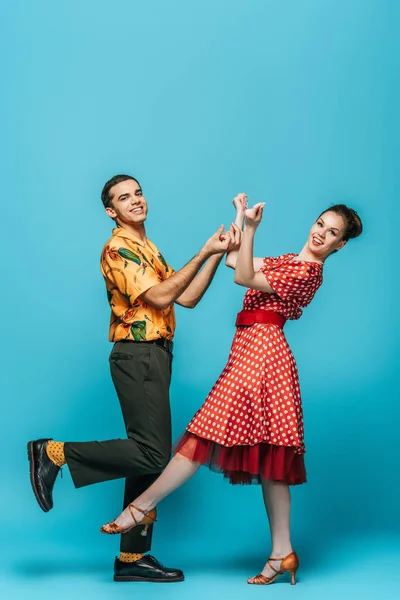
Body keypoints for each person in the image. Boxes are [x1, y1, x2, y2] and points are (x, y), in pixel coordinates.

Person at [100, 194, 363, 586]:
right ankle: (282, 553)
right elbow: (232, 261)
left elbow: (242, 277)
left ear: (340, 245)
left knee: (203, 433)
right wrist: (239, 216)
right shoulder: (291, 260)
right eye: (321, 224)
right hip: (253, 351)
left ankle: (141, 506)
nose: (321, 233)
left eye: (332, 233)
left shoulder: (306, 272)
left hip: (262, 355)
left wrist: (252, 229)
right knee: (273, 461)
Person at [27, 174, 238, 583]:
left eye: (138, 192)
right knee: (154, 454)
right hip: (137, 356)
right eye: (125, 197)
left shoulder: (146, 248)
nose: (136, 200)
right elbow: (160, 297)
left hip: (157, 355)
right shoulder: (118, 247)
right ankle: (52, 453)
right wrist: (203, 249)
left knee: (147, 457)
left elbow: (187, 296)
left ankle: (132, 559)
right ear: (112, 211)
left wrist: (216, 254)